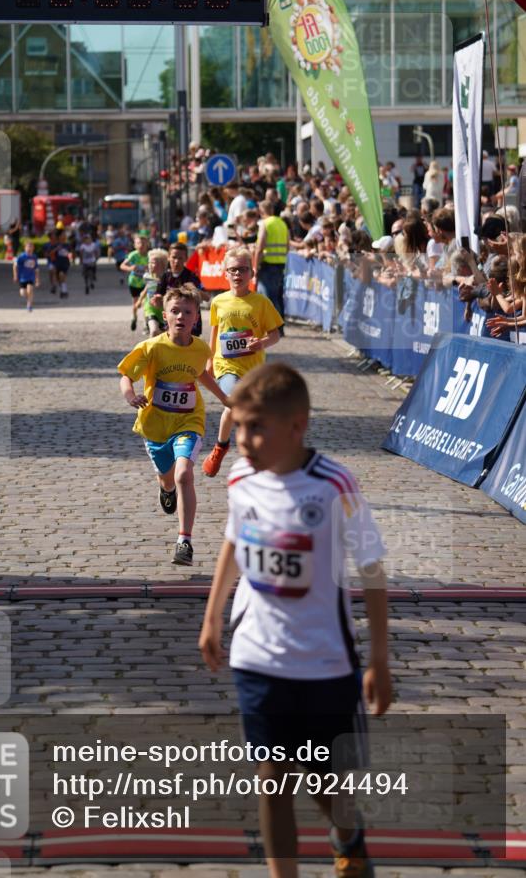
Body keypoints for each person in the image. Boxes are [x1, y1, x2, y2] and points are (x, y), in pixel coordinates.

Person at [199, 362, 391, 878]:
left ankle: (347, 833)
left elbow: (372, 571)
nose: (243, 440)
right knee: (273, 780)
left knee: (323, 778)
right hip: (257, 657)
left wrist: (379, 660)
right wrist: (213, 615)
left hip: (325, 663)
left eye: (256, 427)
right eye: (238, 426)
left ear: (297, 426)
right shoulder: (241, 476)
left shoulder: (333, 485)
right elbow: (235, 542)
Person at [117, 284, 229, 566]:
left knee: (183, 475)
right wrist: (131, 396)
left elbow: (200, 375)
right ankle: (165, 490)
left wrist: (226, 399)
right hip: (155, 426)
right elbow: (126, 375)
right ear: (164, 315)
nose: (181, 316)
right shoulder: (151, 347)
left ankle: (185, 541)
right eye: (175, 311)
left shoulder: (201, 348)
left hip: (189, 421)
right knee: (168, 480)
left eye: (187, 312)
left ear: (196, 319)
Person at [201, 247, 282, 478]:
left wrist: (261, 343)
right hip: (225, 366)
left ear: (252, 273)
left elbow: (275, 334)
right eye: (233, 270)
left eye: (243, 270)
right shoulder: (219, 301)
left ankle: (225, 445)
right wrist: (210, 360)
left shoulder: (261, 302)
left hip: (253, 369)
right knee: (233, 403)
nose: (238, 274)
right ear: (225, 273)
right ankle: (227, 448)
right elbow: (215, 332)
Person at [152, 242, 209, 338]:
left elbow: (207, 297)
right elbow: (158, 301)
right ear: (168, 257)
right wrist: (156, 300)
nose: (176, 261)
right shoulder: (165, 277)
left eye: (180, 258)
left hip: (191, 325)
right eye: (174, 257)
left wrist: (195, 290)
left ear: (186, 259)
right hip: (172, 323)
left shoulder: (192, 276)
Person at [254, 199, 289, 331]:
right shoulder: (282, 223)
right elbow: (287, 245)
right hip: (280, 264)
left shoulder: (265, 224)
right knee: (278, 296)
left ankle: (275, 328)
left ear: (261, 211)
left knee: (269, 297)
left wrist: (255, 266)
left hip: (268, 264)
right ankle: (280, 327)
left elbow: (259, 247)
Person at [121, 231, 150, 331]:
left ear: (147, 244)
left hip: (146, 283)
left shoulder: (150, 255)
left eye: (143, 243)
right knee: (136, 304)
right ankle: (134, 317)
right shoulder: (133, 255)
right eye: (138, 243)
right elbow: (122, 265)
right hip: (134, 283)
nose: (141, 245)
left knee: (147, 303)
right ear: (135, 245)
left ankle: (147, 323)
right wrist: (130, 268)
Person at [136, 248, 168, 337]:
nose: (150, 265)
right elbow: (147, 289)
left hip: (163, 310)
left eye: (153, 263)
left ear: (162, 265)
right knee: (154, 331)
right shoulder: (147, 277)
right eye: (149, 262)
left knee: (162, 335)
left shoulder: (167, 278)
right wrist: (139, 301)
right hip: (150, 308)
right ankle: (150, 350)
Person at [52, 229, 72, 299]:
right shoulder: (55, 244)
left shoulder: (67, 245)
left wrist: (70, 256)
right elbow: (50, 253)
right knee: (59, 279)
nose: (64, 236)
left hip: (65, 263)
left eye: (65, 235)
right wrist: (57, 249)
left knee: (62, 276)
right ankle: (63, 290)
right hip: (57, 263)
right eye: (62, 235)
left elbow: (70, 253)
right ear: (59, 236)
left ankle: (64, 291)